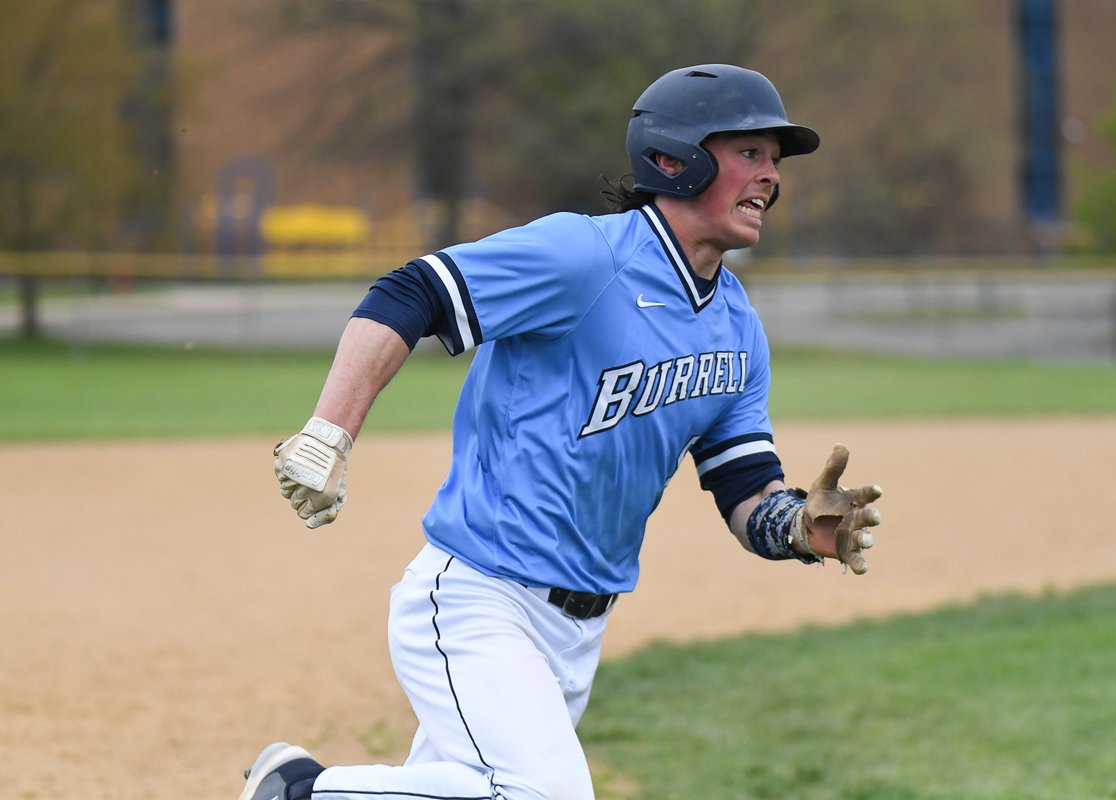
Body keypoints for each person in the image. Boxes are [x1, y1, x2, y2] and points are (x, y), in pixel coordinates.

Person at [242, 63, 884, 800]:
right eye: (750, 153)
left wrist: (801, 525)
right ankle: (296, 791)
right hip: (480, 596)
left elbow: (743, 487)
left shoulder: (738, 328)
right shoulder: (588, 257)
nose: (771, 176)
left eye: (775, 160)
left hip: (579, 631)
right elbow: (413, 290)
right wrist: (330, 431)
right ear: (674, 160)